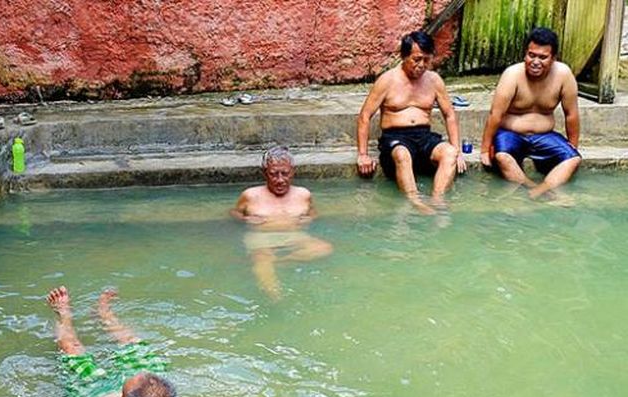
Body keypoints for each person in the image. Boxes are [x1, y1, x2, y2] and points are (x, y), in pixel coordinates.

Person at [46, 286, 203, 397]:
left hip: (95, 394)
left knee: (72, 350)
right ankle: (105, 315)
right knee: (133, 343)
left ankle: (64, 314)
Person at [356, 31, 466, 214]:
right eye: (416, 59)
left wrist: (458, 150)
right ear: (404, 56)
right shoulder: (387, 80)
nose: (421, 65)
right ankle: (415, 201)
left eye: (427, 60)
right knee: (402, 153)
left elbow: (449, 114)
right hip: (395, 138)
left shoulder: (434, 80)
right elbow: (364, 116)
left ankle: (438, 201)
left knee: (450, 153)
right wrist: (362, 154)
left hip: (424, 136)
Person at [480, 27, 581, 199]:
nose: (535, 61)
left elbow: (571, 114)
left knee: (573, 159)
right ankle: (533, 188)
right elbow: (495, 114)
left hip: (544, 136)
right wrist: (484, 149)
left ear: (553, 58)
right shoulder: (512, 75)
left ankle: (540, 191)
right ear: (525, 54)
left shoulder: (563, 75)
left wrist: (573, 144)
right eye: (531, 55)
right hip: (510, 134)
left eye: (543, 57)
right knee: (503, 157)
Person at [231, 146, 332, 300]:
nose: (280, 180)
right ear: (265, 173)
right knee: (263, 259)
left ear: (292, 172)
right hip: (261, 238)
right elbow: (234, 213)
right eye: (273, 174)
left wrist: (310, 218)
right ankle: (276, 297)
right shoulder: (250, 195)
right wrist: (245, 219)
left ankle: (281, 261)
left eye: (285, 173)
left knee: (324, 248)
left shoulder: (303, 194)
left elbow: (313, 212)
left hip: (294, 235)